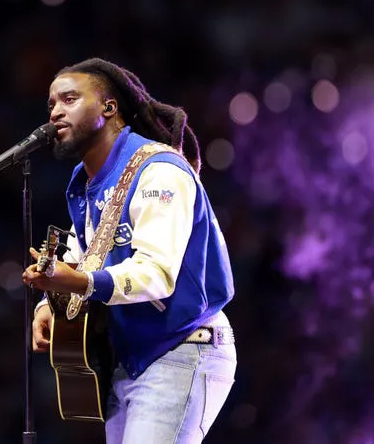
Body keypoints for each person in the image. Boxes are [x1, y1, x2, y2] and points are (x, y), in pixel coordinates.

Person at [22, 57, 236, 443]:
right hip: (129, 360)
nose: (55, 112)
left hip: (182, 347)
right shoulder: (87, 182)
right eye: (51, 104)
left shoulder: (159, 171)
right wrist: (46, 304)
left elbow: (156, 273)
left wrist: (82, 282)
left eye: (69, 99)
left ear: (108, 107)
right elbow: (81, 251)